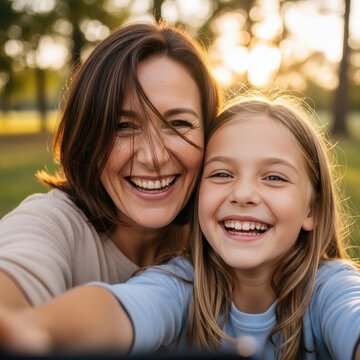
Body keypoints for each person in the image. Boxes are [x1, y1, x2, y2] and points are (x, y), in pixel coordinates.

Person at [0, 94, 359, 360]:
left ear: (312, 208)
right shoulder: (182, 283)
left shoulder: (328, 288)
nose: (244, 194)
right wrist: (40, 329)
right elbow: (119, 308)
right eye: (221, 174)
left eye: (275, 177)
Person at [0, 22, 221, 309]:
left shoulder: (224, 234)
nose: (153, 157)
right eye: (123, 126)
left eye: (178, 124)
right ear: (89, 137)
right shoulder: (53, 224)